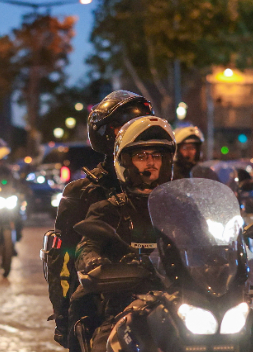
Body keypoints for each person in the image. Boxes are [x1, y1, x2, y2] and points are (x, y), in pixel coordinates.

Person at [45, 90, 153, 350]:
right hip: (106, 295)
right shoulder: (83, 192)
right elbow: (65, 257)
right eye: (121, 128)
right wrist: (64, 315)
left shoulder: (166, 188)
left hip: (162, 291)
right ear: (104, 134)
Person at [73, 115, 175, 352]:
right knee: (105, 343)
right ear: (126, 162)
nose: (151, 162)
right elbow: (87, 245)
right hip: (124, 305)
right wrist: (93, 260)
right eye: (141, 156)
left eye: (157, 155)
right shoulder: (108, 209)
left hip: (179, 301)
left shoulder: (181, 208)